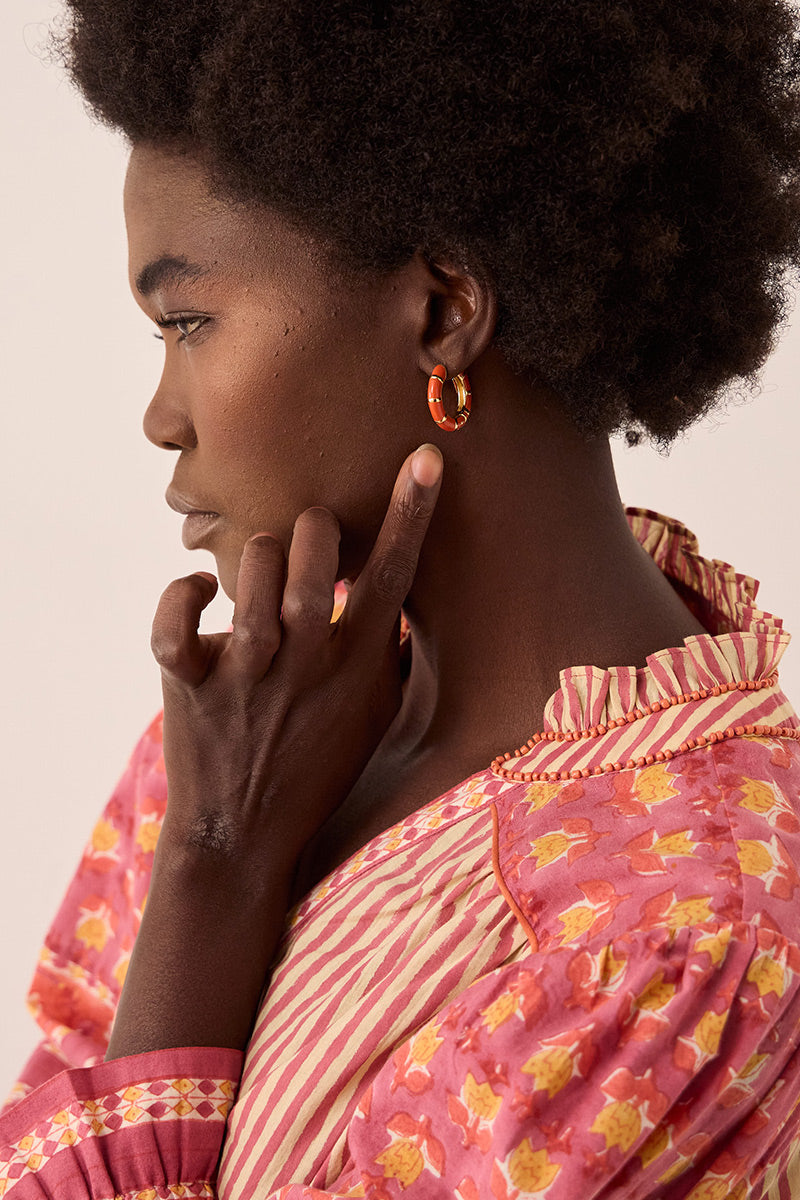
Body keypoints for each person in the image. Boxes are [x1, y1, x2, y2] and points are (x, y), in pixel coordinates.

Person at [3, 0, 800, 1195]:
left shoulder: (687, 932)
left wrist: (220, 869)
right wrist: (212, 841)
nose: (162, 417)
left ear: (440, 312)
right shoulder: (239, 731)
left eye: (187, 321)